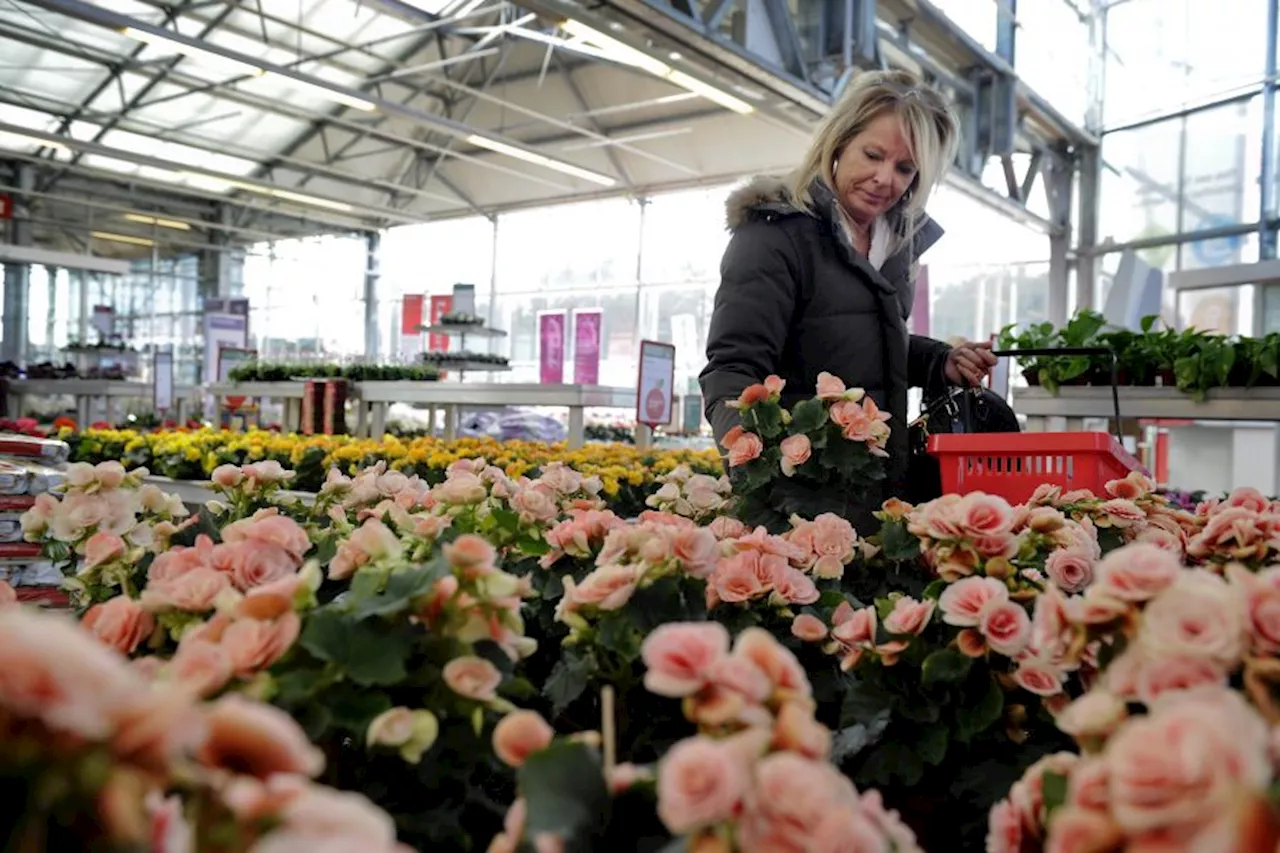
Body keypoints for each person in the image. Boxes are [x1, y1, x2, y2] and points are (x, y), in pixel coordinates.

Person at [699, 69, 997, 525]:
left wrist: (940, 361)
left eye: (905, 168)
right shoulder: (775, 236)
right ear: (838, 142)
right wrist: (763, 478)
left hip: (878, 495)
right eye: (873, 155)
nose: (885, 179)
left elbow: (860, 342)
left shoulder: (895, 245)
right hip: (795, 508)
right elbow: (732, 369)